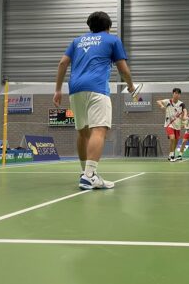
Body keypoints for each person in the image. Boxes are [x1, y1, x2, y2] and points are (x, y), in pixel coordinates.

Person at [53, 11, 134, 190]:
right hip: (97, 88)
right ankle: (90, 175)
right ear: (108, 26)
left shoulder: (77, 41)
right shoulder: (112, 40)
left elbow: (62, 63)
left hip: (75, 89)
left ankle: (85, 173)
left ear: (90, 27)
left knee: (83, 132)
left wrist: (58, 90)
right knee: (99, 130)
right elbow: (124, 70)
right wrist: (130, 86)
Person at [157, 88, 187, 162]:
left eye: (178, 93)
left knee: (176, 141)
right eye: (175, 93)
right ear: (173, 94)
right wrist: (161, 105)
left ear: (179, 95)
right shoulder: (168, 101)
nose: (176, 95)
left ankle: (171, 155)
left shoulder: (181, 104)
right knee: (172, 138)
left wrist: (185, 116)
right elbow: (158, 101)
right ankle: (172, 155)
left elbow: (185, 110)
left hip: (178, 125)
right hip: (169, 124)